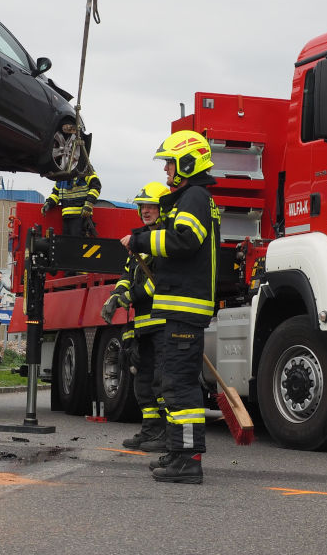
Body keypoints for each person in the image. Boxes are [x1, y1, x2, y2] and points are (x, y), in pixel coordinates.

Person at [122, 131, 220, 485]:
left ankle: (189, 460)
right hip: (181, 309)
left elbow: (184, 239)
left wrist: (140, 239)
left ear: (188, 162)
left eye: (170, 162)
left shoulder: (193, 196)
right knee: (173, 384)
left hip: (184, 310)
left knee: (180, 388)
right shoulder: (192, 197)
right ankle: (179, 453)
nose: (166, 169)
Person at [103, 181, 170, 452]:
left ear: (162, 208)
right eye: (142, 205)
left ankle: (165, 434)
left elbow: (159, 282)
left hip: (162, 321)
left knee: (161, 381)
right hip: (142, 323)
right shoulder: (139, 240)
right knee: (142, 381)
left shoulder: (165, 239)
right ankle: (149, 431)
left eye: (151, 205)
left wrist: (129, 297)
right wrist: (115, 296)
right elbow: (126, 275)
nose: (146, 210)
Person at [42, 165, 101, 237]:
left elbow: (96, 187)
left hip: (81, 216)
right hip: (66, 216)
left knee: (77, 244)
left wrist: (89, 205)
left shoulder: (85, 168)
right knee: (68, 244)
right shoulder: (61, 173)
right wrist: (48, 204)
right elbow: (56, 193)